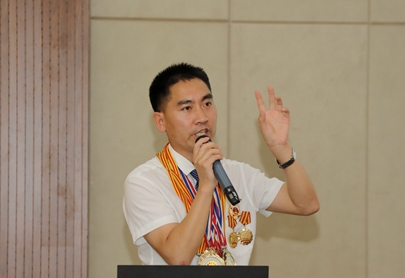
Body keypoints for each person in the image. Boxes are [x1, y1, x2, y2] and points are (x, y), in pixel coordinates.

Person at [123, 63, 319, 265]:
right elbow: (178, 257)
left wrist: (282, 149)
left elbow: (306, 204)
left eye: (207, 104)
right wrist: (206, 185)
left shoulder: (238, 173)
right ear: (160, 121)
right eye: (187, 108)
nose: (202, 117)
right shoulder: (144, 182)